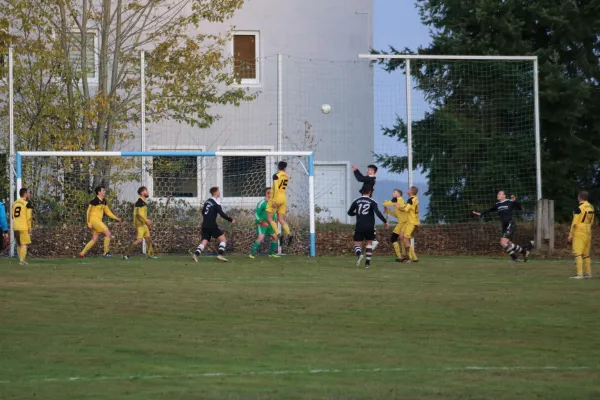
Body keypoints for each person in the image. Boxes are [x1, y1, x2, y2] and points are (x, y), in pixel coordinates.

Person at [472, 190, 530, 262]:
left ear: (504, 196)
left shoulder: (510, 202)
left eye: (499, 194)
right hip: (504, 226)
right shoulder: (497, 204)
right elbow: (490, 210)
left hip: (510, 224)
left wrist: (515, 201)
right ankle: (524, 252)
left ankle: (515, 258)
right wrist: (481, 214)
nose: (497, 195)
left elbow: (520, 208)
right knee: (509, 244)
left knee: (503, 242)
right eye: (497, 194)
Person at [347, 185, 389, 269]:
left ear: (361, 191)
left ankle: (359, 254)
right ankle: (367, 263)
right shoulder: (372, 201)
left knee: (357, 243)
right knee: (369, 243)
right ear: (370, 192)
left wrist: (357, 213)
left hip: (360, 225)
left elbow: (349, 212)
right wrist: (385, 221)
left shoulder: (356, 201)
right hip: (370, 226)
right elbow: (377, 212)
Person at [193, 186, 235, 263]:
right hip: (211, 225)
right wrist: (231, 219)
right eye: (218, 191)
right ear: (215, 192)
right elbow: (222, 214)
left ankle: (195, 255)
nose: (219, 192)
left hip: (204, 224)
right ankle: (220, 255)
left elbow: (203, 212)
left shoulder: (207, 201)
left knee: (204, 241)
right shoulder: (216, 203)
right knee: (223, 240)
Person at [79, 186, 122, 258]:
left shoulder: (104, 201)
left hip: (98, 221)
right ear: (99, 192)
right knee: (108, 233)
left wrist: (116, 218)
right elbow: (88, 212)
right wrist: (88, 223)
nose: (104, 191)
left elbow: (108, 212)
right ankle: (106, 253)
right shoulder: (94, 201)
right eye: (103, 190)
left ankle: (82, 253)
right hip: (94, 220)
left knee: (94, 239)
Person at [124, 186, 157, 260]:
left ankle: (150, 255)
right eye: (146, 191)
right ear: (142, 192)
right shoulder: (139, 202)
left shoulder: (143, 202)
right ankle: (127, 255)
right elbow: (138, 215)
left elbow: (142, 215)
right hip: (139, 225)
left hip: (144, 224)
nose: (147, 192)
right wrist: (146, 220)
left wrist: (147, 222)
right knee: (139, 240)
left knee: (148, 239)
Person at [568, 190, 594, 279]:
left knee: (577, 253)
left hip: (579, 231)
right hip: (588, 231)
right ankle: (588, 273)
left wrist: (570, 234)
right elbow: (592, 221)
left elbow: (574, 222)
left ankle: (579, 274)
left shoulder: (579, 208)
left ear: (579, 197)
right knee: (586, 254)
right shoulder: (591, 207)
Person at [352, 164, 379, 249]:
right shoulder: (370, 178)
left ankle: (373, 239)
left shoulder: (371, 178)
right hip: (366, 199)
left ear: (373, 171)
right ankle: (373, 238)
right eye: (367, 169)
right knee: (368, 218)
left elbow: (360, 178)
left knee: (369, 218)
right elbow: (363, 178)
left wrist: (356, 170)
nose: (367, 171)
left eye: (369, 170)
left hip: (367, 200)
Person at [267, 161, 293, 246]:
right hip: (283, 198)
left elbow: (276, 188)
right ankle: (289, 233)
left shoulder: (276, 175)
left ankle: (279, 234)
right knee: (281, 219)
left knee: (270, 219)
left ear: (278, 167)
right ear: (285, 168)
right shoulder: (286, 176)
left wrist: (274, 200)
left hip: (276, 198)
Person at [249, 187, 280, 259]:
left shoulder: (273, 202)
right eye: (271, 193)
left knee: (275, 237)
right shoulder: (262, 203)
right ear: (267, 193)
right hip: (262, 224)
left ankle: (271, 254)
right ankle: (251, 254)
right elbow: (256, 213)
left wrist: (275, 221)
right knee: (260, 237)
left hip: (271, 224)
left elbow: (274, 213)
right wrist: (260, 221)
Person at [383, 189, 408, 262]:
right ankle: (404, 256)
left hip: (403, 223)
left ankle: (401, 257)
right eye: (392, 192)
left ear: (399, 194)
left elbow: (386, 203)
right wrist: (388, 210)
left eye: (394, 192)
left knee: (393, 239)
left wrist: (384, 203)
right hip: (403, 222)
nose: (392, 193)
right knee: (402, 239)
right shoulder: (398, 201)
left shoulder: (398, 200)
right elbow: (396, 215)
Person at [12, 188, 33, 265]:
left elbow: (12, 216)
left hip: (15, 226)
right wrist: (29, 227)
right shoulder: (27, 204)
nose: (29, 194)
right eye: (28, 193)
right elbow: (29, 217)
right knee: (24, 244)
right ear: (25, 194)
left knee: (19, 244)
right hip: (23, 227)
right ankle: (21, 261)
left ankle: (21, 259)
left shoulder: (14, 203)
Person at [400, 186, 420, 263]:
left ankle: (412, 258)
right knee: (401, 237)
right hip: (409, 221)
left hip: (411, 222)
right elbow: (407, 207)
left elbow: (406, 209)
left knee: (405, 238)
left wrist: (399, 206)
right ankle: (404, 255)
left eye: (408, 189)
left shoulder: (411, 199)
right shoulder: (414, 199)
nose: (407, 190)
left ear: (411, 191)